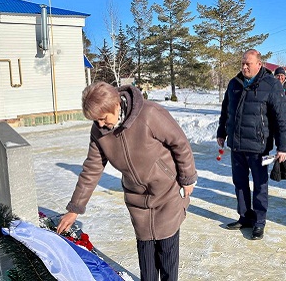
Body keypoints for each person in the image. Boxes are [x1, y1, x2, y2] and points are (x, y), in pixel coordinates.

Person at [57, 81, 197, 281]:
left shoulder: (149, 114)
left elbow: (180, 143)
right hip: (137, 199)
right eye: (95, 121)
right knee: (146, 256)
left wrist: (187, 177)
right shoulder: (99, 131)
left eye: (103, 119)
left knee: (167, 251)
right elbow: (92, 169)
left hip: (166, 191)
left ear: (116, 105)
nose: (100, 125)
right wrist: (75, 208)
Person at [216, 49, 286, 240]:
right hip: (237, 144)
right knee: (239, 183)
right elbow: (226, 111)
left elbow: (282, 118)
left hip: (259, 146)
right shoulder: (234, 83)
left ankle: (259, 221)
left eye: (248, 63)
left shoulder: (271, 85)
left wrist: (284, 147)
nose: (244, 66)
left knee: (260, 185)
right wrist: (221, 132)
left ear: (259, 64)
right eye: (242, 63)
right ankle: (245, 216)